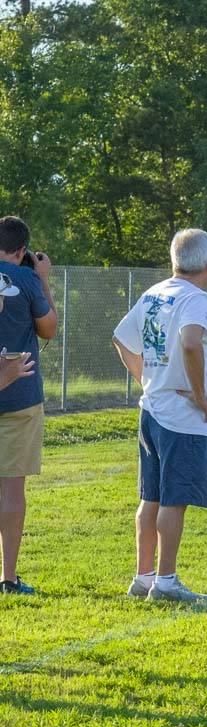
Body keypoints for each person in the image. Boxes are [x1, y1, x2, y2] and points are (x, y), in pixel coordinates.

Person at [112, 228, 207, 603]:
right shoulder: (197, 298)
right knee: (173, 500)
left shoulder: (154, 292)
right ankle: (167, 581)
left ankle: (143, 576)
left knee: (151, 497)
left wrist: (145, 377)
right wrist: (200, 393)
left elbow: (122, 338)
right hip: (181, 415)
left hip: (152, 408)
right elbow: (191, 342)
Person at [0, 216, 57, 595]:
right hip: (19, 396)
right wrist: (43, 277)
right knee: (11, 488)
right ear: (22, 250)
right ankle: (9, 576)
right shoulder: (27, 279)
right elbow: (49, 329)